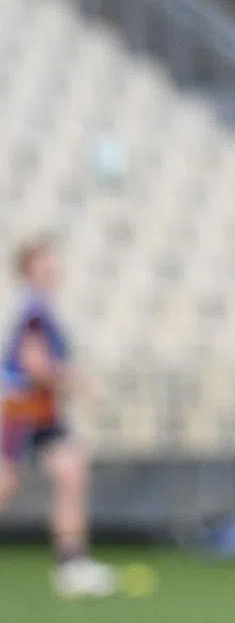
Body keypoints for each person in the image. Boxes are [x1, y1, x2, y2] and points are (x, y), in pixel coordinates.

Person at [0, 236, 116, 598]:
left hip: (40, 409)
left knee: (71, 469)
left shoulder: (41, 307)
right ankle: (72, 565)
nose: (53, 264)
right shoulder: (34, 309)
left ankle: (72, 564)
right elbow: (33, 364)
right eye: (43, 260)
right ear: (28, 268)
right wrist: (76, 382)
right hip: (22, 408)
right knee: (6, 483)